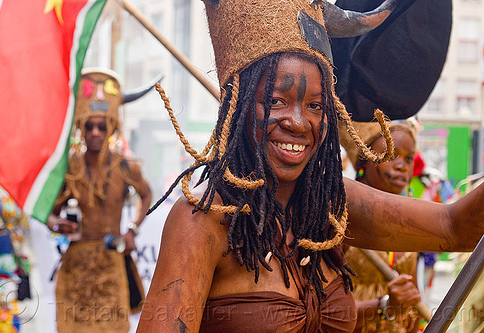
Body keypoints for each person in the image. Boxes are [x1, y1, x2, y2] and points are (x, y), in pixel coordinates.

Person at [136, 1, 484, 332]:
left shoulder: (331, 205)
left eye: (315, 105)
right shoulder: (201, 221)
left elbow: (455, 228)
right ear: (237, 110)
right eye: (276, 101)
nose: (299, 122)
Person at [46, 68, 153, 333]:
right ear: (81, 127)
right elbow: (48, 213)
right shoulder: (71, 168)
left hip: (112, 262)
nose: (95, 132)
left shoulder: (126, 167)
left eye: (101, 126)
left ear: (111, 128)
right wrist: (58, 224)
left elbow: (147, 194)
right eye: (89, 126)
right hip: (77, 264)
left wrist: (133, 230)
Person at [339, 119, 422, 332]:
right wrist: (385, 306)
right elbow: (322, 312)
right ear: (364, 162)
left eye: (409, 158)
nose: (402, 165)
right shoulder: (340, 222)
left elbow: (413, 300)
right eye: (391, 155)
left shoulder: (411, 223)